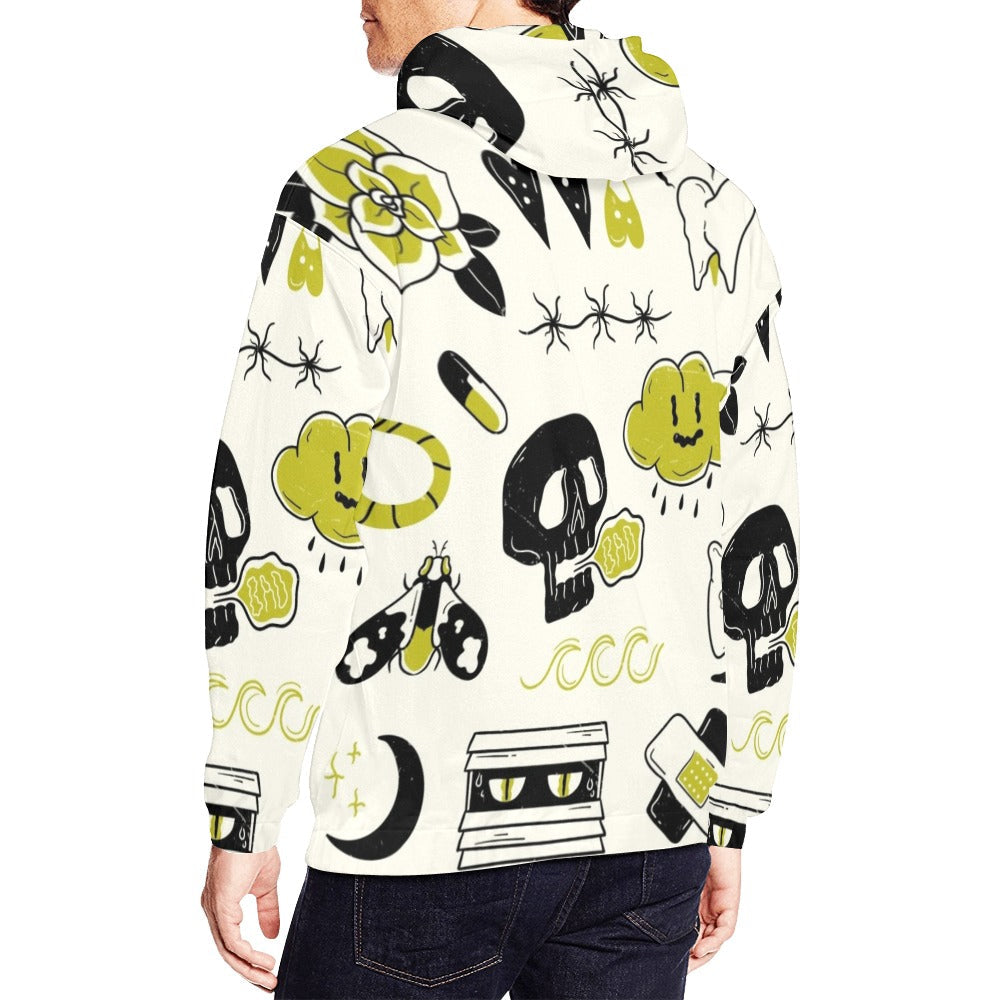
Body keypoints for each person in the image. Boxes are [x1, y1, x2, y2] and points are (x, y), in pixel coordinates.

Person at [200, 1, 801, 996]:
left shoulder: (355, 192)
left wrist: (245, 804)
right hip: (650, 829)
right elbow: (759, 512)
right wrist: (729, 801)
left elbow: (289, 514)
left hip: (414, 840)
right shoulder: (712, 207)